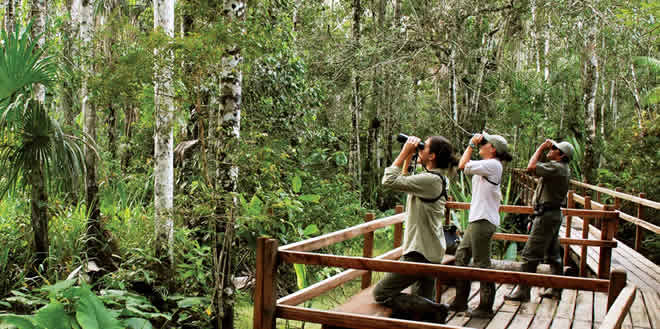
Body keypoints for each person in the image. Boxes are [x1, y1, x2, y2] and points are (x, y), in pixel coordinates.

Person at [373, 135, 459, 324]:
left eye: (424, 147)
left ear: (432, 156)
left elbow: (389, 180)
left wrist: (404, 152)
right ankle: (433, 315)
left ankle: (437, 310)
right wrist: (411, 157)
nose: (420, 149)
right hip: (432, 249)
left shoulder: (431, 181)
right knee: (421, 306)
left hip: (419, 252)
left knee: (381, 293)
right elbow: (405, 182)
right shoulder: (437, 179)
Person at [450, 132, 512, 318]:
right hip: (477, 219)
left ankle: (485, 306)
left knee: (481, 263)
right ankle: (460, 301)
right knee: (461, 256)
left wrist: (470, 144)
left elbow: (462, 165)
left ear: (492, 149)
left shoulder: (493, 164)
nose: (480, 145)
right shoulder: (488, 165)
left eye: (484, 143)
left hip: (483, 221)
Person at [505, 139, 574, 301]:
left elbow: (531, 167)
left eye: (554, 148)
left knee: (529, 255)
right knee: (553, 255)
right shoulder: (560, 168)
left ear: (561, 155)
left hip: (546, 217)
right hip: (552, 215)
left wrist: (541, 147)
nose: (551, 149)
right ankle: (556, 290)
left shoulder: (557, 167)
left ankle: (523, 291)